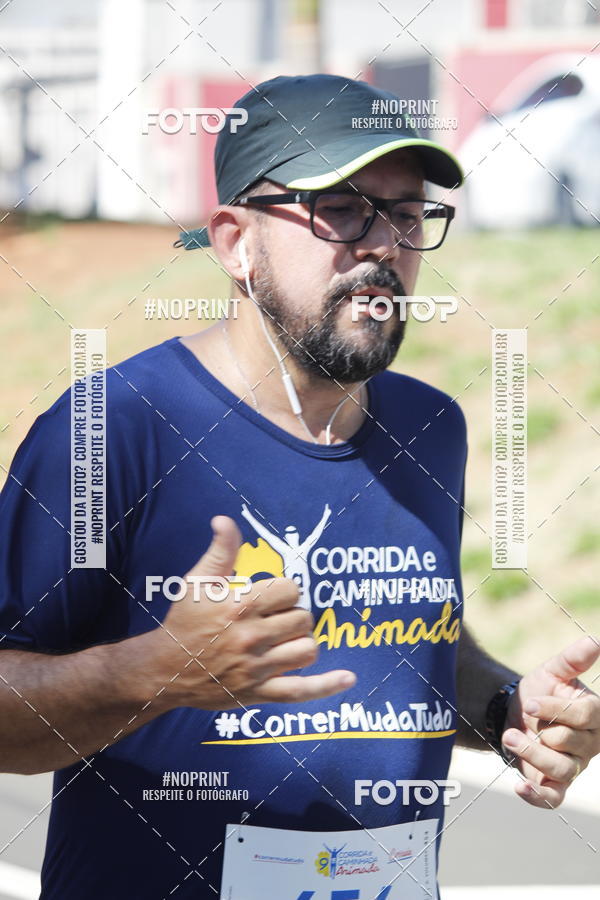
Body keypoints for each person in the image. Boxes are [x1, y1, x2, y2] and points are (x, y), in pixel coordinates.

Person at [0, 73, 598, 899]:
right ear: (234, 241)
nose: (383, 245)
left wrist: (506, 710)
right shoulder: (110, 429)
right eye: (343, 210)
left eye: (407, 214)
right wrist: (151, 673)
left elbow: (407, 646)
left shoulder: (431, 428)